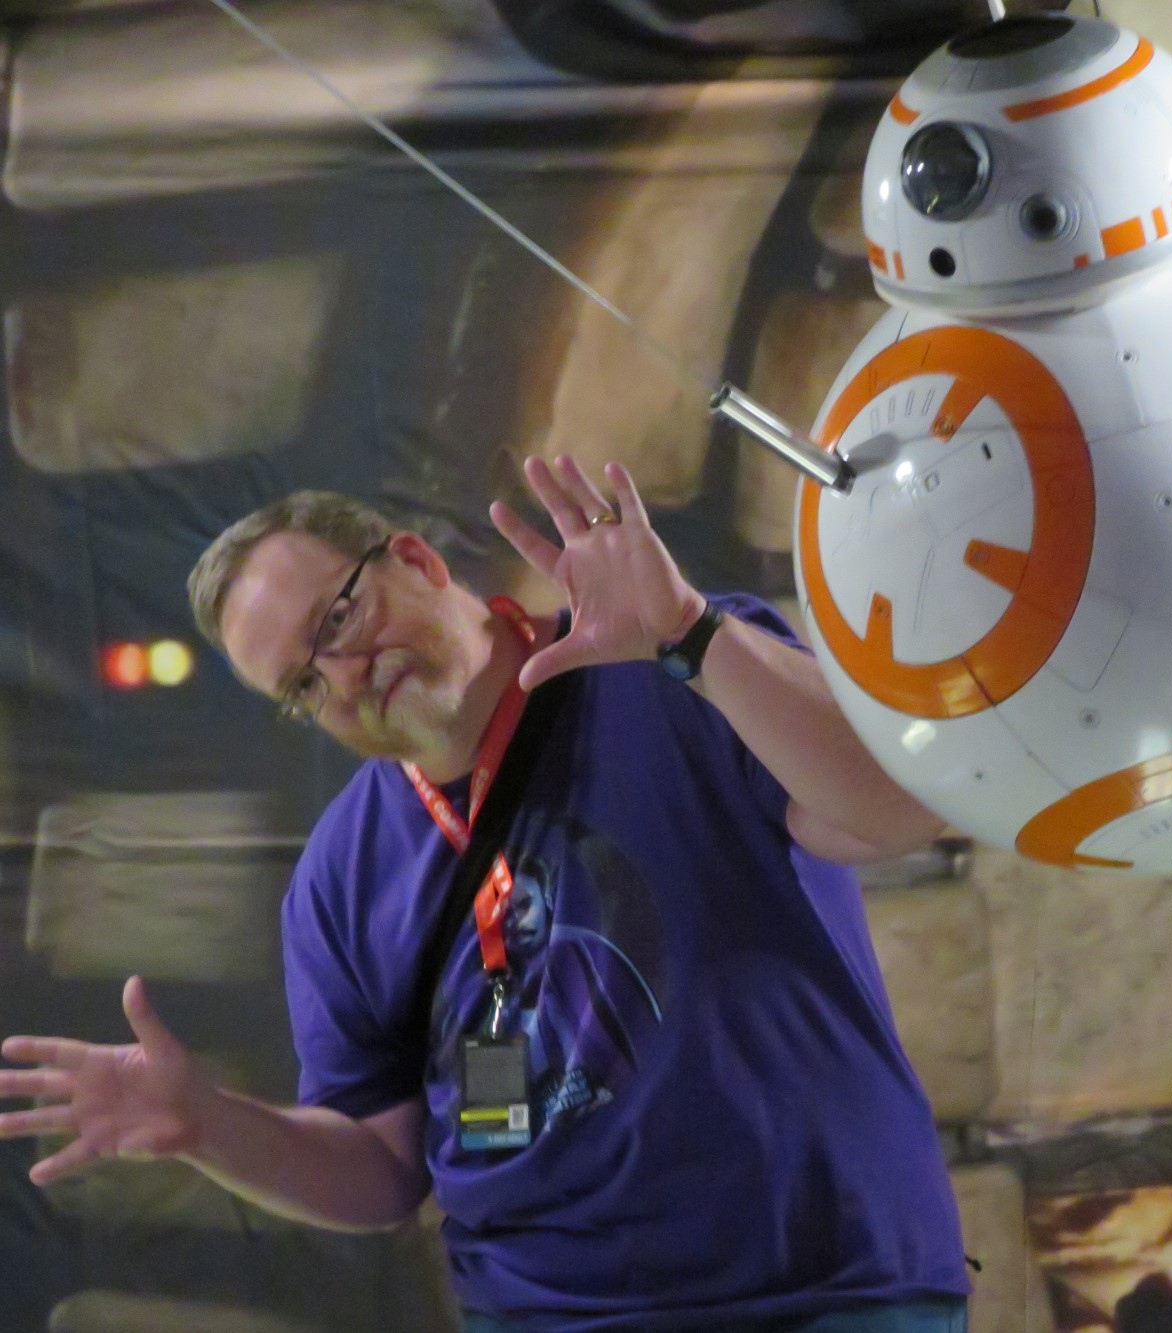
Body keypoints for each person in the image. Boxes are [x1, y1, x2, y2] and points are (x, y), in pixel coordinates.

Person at [0, 454, 972, 1333]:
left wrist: (689, 631)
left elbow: (897, 809)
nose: (345, 674)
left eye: (337, 620)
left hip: (825, 1288)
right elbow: (382, 1169)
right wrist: (206, 1123)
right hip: (543, 1312)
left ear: (415, 559)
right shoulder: (340, 876)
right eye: (304, 683)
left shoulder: (670, 667)